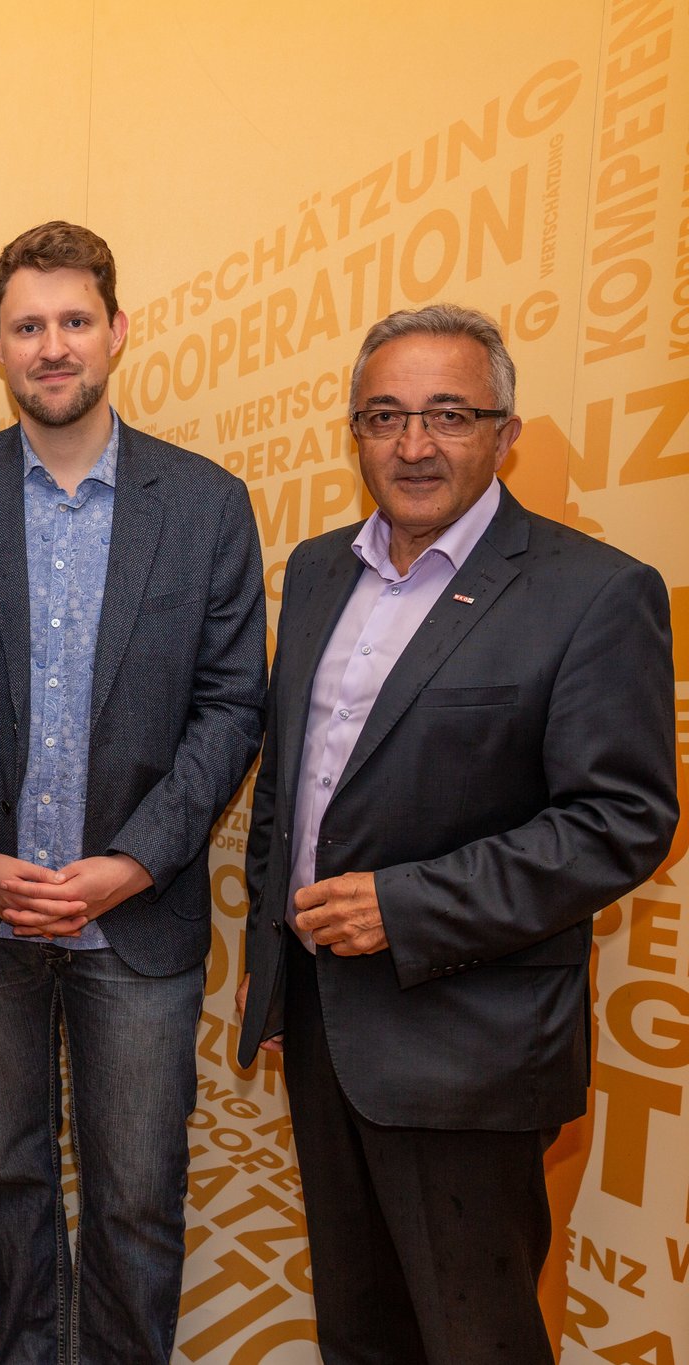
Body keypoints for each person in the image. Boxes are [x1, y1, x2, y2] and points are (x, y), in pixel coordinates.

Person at [235, 303, 677, 1364]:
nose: (413, 444)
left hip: (470, 1044)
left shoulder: (593, 592)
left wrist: (405, 904)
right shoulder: (318, 569)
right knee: (359, 1335)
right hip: (325, 1028)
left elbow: (622, 820)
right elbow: (289, 786)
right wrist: (272, 969)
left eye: (448, 414)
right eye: (384, 416)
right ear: (354, 432)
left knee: (475, 1341)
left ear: (504, 433)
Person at [0, 220, 266, 1363]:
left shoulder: (204, 504)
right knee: (4, 1179)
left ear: (116, 331)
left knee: (136, 1195)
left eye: (72, 321)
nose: (50, 346)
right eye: (27, 326)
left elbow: (229, 709)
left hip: (135, 921)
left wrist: (133, 863)